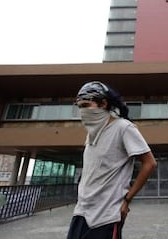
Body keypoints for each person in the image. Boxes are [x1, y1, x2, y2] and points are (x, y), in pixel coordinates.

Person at [67, 81, 157, 239]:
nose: (83, 111)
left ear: (103, 104)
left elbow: (149, 163)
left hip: (106, 216)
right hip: (81, 212)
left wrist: (127, 200)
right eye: (80, 107)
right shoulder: (91, 134)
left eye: (86, 105)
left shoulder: (123, 127)